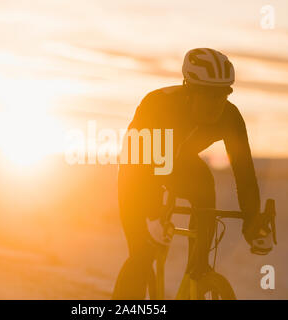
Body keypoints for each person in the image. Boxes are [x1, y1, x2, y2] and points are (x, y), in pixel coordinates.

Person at [112, 48, 272, 300]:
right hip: (139, 168)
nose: (216, 103)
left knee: (205, 186)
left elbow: (245, 175)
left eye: (223, 94)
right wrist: (154, 214)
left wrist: (253, 226)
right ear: (189, 91)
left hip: (182, 164)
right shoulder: (159, 106)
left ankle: (197, 275)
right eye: (208, 94)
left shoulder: (231, 117)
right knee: (142, 255)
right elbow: (146, 171)